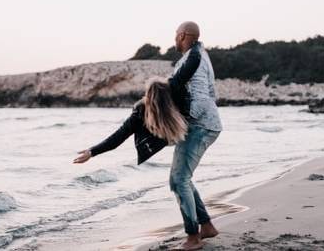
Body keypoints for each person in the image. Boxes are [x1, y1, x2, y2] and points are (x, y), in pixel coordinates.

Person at [72, 40, 201, 166]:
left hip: (163, 137)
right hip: (179, 127)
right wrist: (196, 45)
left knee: (140, 112)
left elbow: (117, 138)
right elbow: (192, 63)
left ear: (148, 95)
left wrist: (92, 152)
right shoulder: (173, 88)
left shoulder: (140, 111)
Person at [169, 21, 223, 250]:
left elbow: (201, 96)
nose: (174, 38)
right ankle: (206, 226)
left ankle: (193, 237)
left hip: (200, 125)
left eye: (175, 34)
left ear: (182, 35)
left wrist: (187, 119)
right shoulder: (202, 54)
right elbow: (212, 92)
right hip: (206, 123)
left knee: (179, 179)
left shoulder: (194, 58)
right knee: (180, 179)